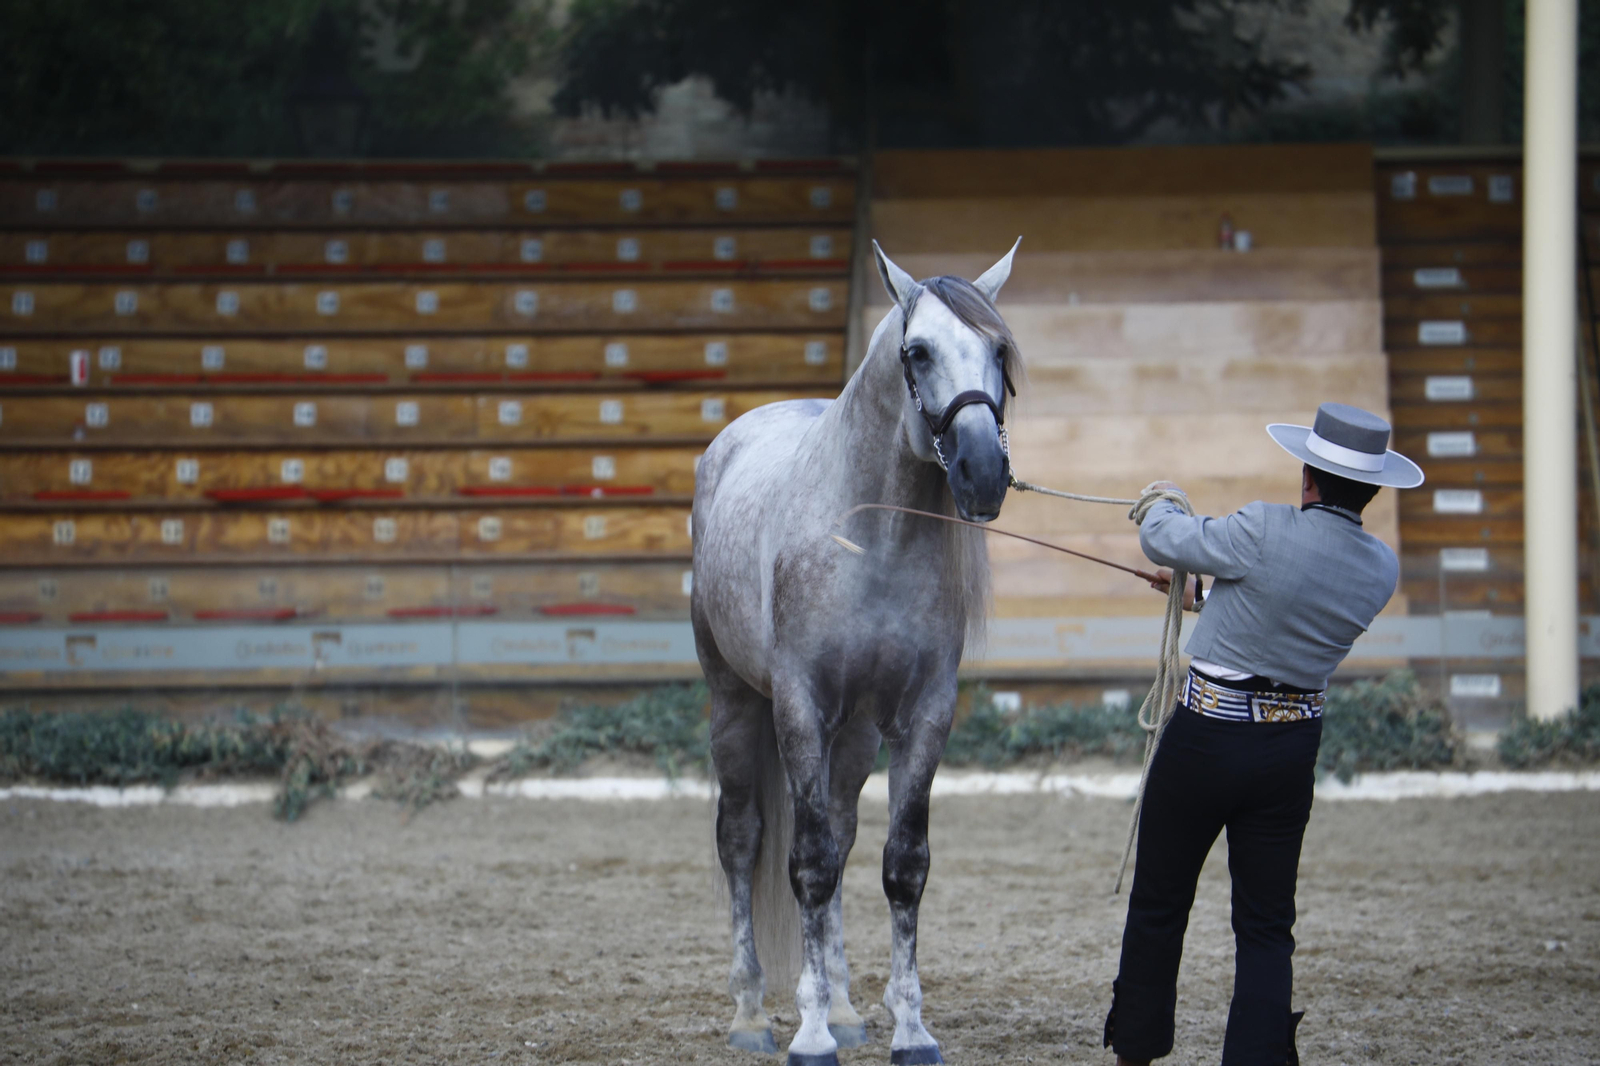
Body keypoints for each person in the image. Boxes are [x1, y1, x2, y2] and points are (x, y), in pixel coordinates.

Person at [1103, 402, 1425, 1066]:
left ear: (1308, 476)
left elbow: (1164, 539)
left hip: (1205, 740)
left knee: (1160, 902)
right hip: (1289, 754)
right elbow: (1289, 608)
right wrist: (1204, 599)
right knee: (1267, 926)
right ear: (1371, 490)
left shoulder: (1262, 526)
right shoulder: (1380, 569)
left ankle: (1136, 1048)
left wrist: (1161, 499)